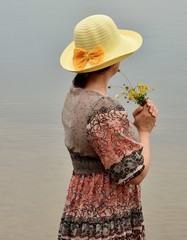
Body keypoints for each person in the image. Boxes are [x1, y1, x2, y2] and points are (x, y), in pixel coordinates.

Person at [57, 14, 158, 240]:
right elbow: (135, 173)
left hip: (79, 207)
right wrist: (144, 130)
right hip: (105, 216)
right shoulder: (103, 108)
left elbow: (98, 148)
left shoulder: (74, 95)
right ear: (113, 62)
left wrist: (126, 129)